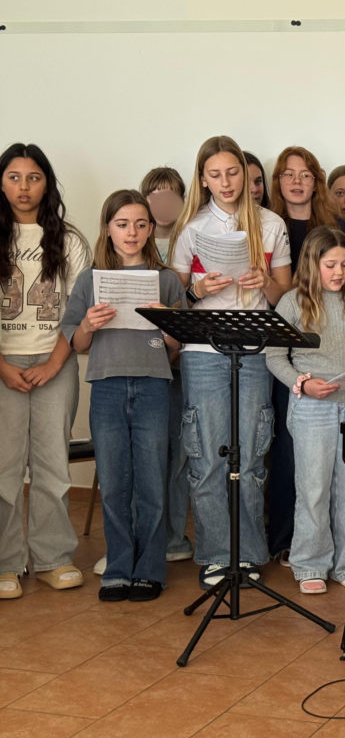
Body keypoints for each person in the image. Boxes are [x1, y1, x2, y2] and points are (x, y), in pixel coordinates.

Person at [169, 135, 292, 589]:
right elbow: (175, 300)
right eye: (215, 175)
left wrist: (264, 282)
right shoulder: (192, 227)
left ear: (245, 172)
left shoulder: (271, 224)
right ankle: (218, 555)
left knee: (251, 455)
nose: (226, 182)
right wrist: (197, 290)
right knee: (207, 457)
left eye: (233, 172)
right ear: (203, 179)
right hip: (203, 353)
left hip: (254, 352)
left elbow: (283, 294)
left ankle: (249, 553)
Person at [62, 190, 186, 602]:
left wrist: (167, 324)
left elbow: (178, 346)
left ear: (150, 229)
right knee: (114, 483)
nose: (131, 232)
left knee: (152, 480)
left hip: (153, 385)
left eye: (140, 224)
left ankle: (149, 569)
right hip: (107, 386)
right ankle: (117, 568)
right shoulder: (89, 280)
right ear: (108, 229)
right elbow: (77, 343)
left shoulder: (167, 280)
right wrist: (89, 325)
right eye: (122, 224)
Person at [0, 143, 91, 600]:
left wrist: (55, 363)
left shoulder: (69, 240)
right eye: (14, 177)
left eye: (33, 178)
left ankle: (54, 558)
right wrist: (2, 366)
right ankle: (5, 563)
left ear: (47, 184)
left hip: (55, 361)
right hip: (3, 365)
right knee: (3, 467)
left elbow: (78, 311)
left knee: (54, 464)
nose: (24, 187)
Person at [266, 227, 345, 594]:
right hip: (312, 407)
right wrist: (303, 384)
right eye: (331, 265)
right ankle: (310, 563)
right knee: (313, 488)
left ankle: (344, 562)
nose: (339, 272)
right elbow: (274, 357)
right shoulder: (292, 302)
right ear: (312, 264)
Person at [139, 166, 193, 567]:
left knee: (178, 454)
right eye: (154, 194)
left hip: (179, 363)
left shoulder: (190, 238)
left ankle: (175, 536)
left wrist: (174, 351)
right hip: (140, 363)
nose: (162, 202)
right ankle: (144, 536)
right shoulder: (133, 239)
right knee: (146, 454)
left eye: (170, 194)